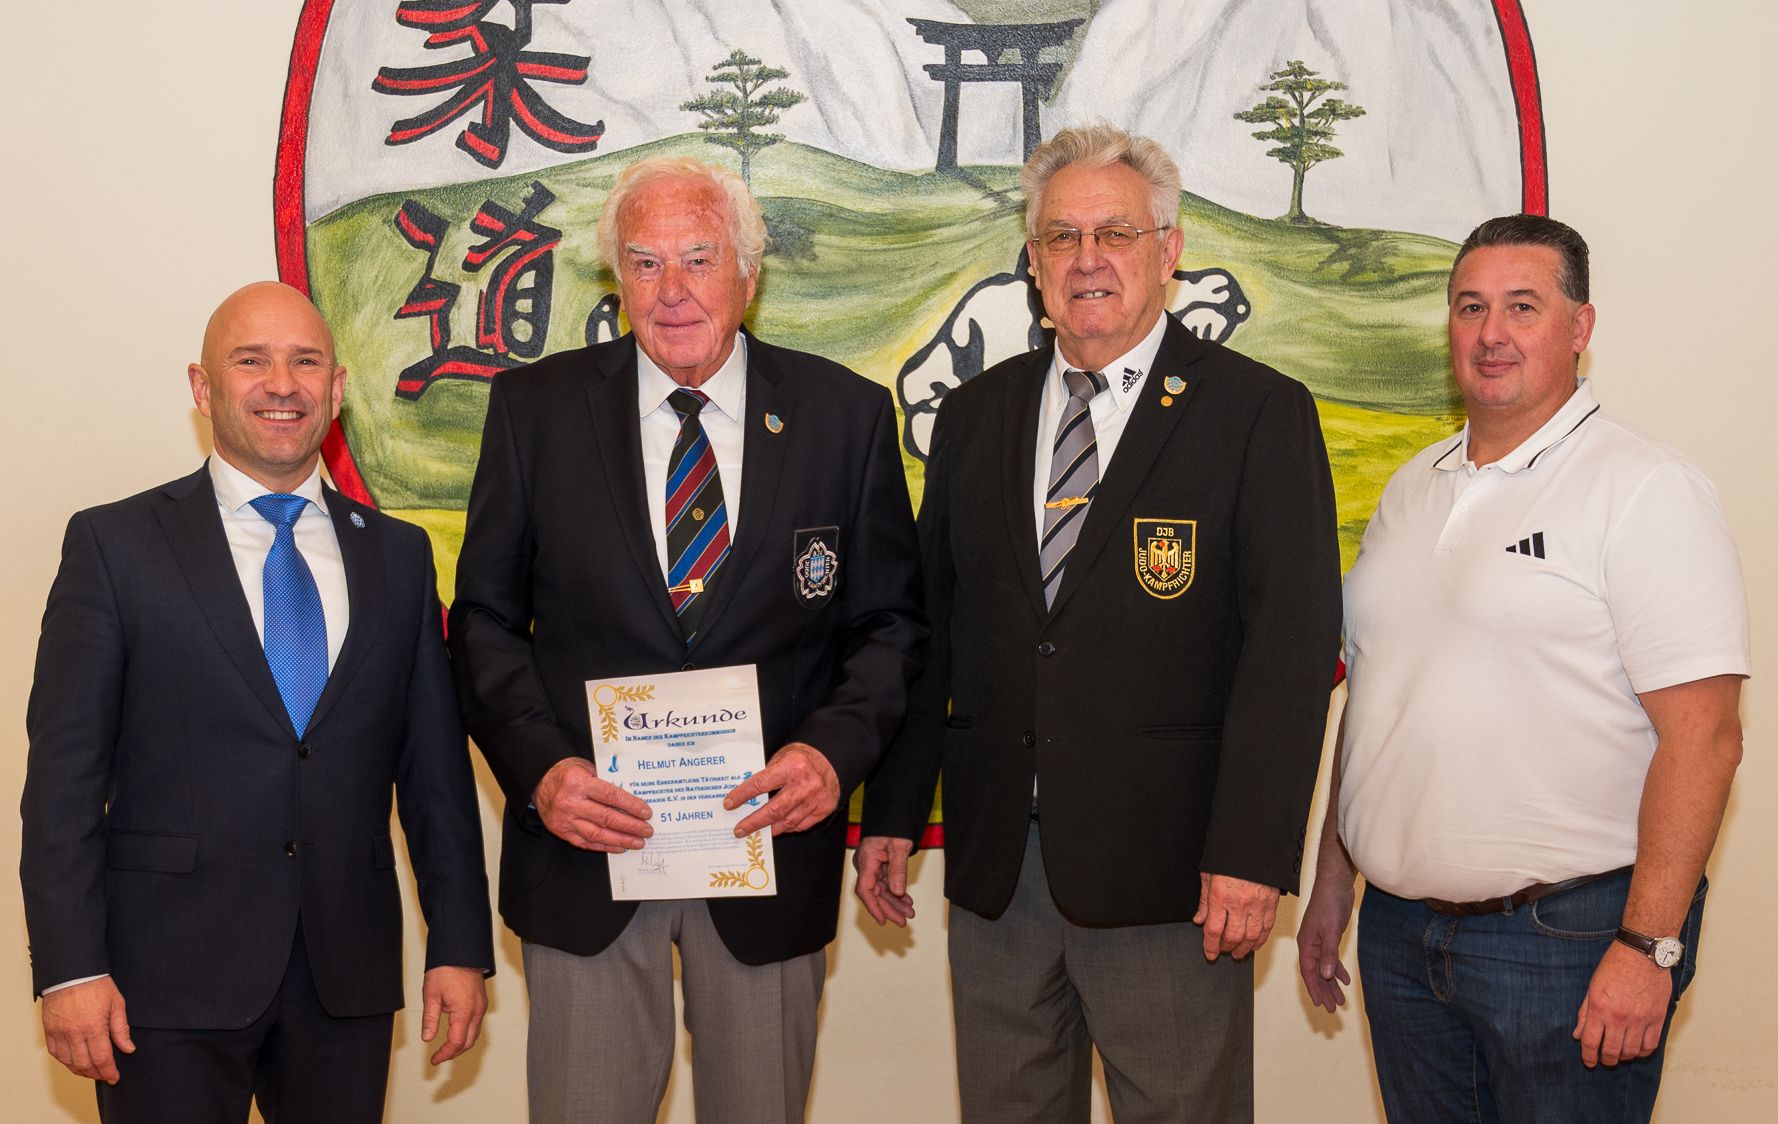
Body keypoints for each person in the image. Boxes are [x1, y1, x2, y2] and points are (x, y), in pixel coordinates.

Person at [856, 123, 1343, 1123]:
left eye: (1113, 233)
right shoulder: (976, 415)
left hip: (1169, 875)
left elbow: (1286, 652)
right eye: (1059, 238)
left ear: (1166, 251)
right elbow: (932, 626)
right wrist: (894, 810)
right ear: (1031, 264)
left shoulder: (1255, 413)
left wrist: (1252, 849)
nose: (1085, 260)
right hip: (997, 871)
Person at [448, 155, 925, 1124]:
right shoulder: (534, 413)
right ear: (614, 279)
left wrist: (832, 756)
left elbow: (889, 625)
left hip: (765, 851)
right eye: (644, 263)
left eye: (698, 259)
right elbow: (486, 624)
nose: (672, 292)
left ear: (749, 274)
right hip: (587, 856)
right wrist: (540, 772)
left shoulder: (845, 418)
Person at [1297, 214, 1749, 1122]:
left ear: (1580, 328)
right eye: (1470, 307)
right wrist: (1333, 882)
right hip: (1399, 937)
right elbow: (1381, 696)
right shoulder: (1411, 486)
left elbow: (1704, 738)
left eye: (1522, 307)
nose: (1491, 333)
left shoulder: (1644, 488)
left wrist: (1649, 947)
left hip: (1570, 942)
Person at [20, 282, 494, 1123]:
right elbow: (62, 781)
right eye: (252, 360)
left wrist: (458, 946)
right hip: (155, 987)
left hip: (344, 978)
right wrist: (69, 969)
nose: (283, 384)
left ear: (338, 389)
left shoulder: (398, 556)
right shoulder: (115, 545)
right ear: (202, 389)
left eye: (306, 361)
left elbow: (434, 774)